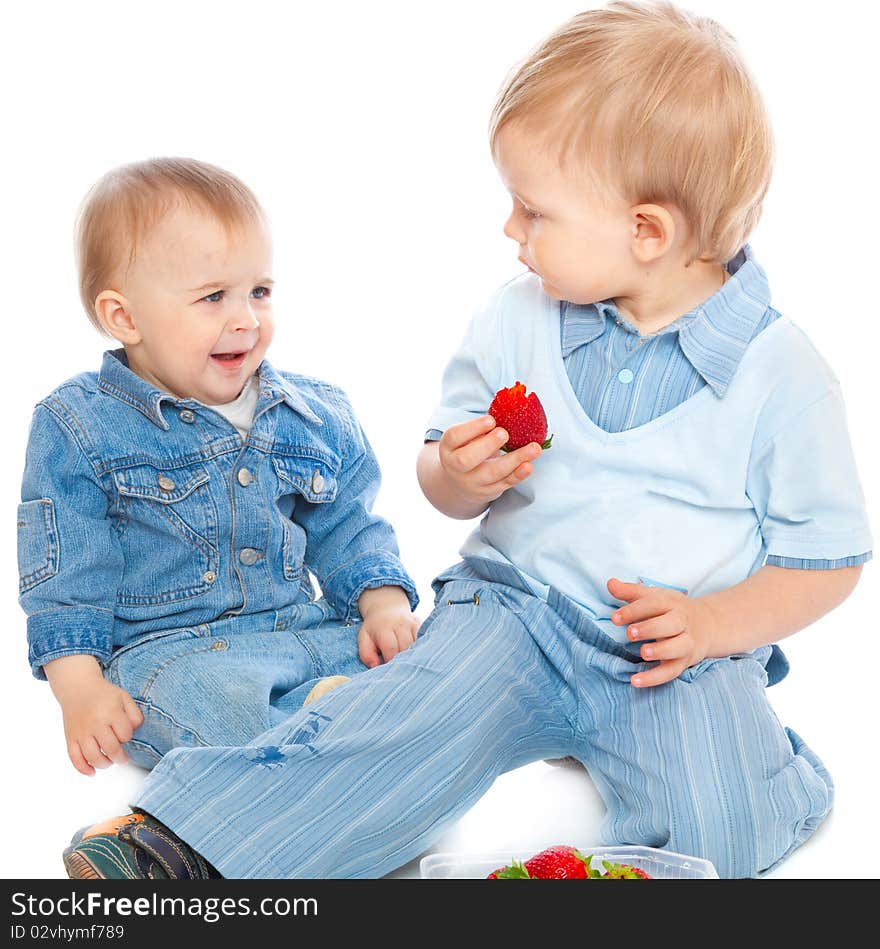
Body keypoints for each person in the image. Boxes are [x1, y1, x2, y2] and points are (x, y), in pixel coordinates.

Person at [62, 1, 871, 880]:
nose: (510, 232)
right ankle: (184, 838)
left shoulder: (779, 373)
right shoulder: (516, 317)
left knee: (728, 832)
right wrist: (456, 471)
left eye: (533, 211)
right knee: (393, 732)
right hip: (513, 613)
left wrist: (714, 623)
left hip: (669, 651)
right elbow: (440, 481)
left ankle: (767, 773)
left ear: (647, 232)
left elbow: (826, 559)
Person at [18, 157, 420, 781]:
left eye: (259, 291)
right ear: (125, 318)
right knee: (191, 702)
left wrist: (383, 603)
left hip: (301, 633)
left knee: (429, 658)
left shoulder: (310, 411)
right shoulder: (79, 425)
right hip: (173, 654)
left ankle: (344, 728)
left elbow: (347, 525)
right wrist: (80, 689)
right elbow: (69, 576)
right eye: (213, 298)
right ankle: (322, 749)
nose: (246, 320)